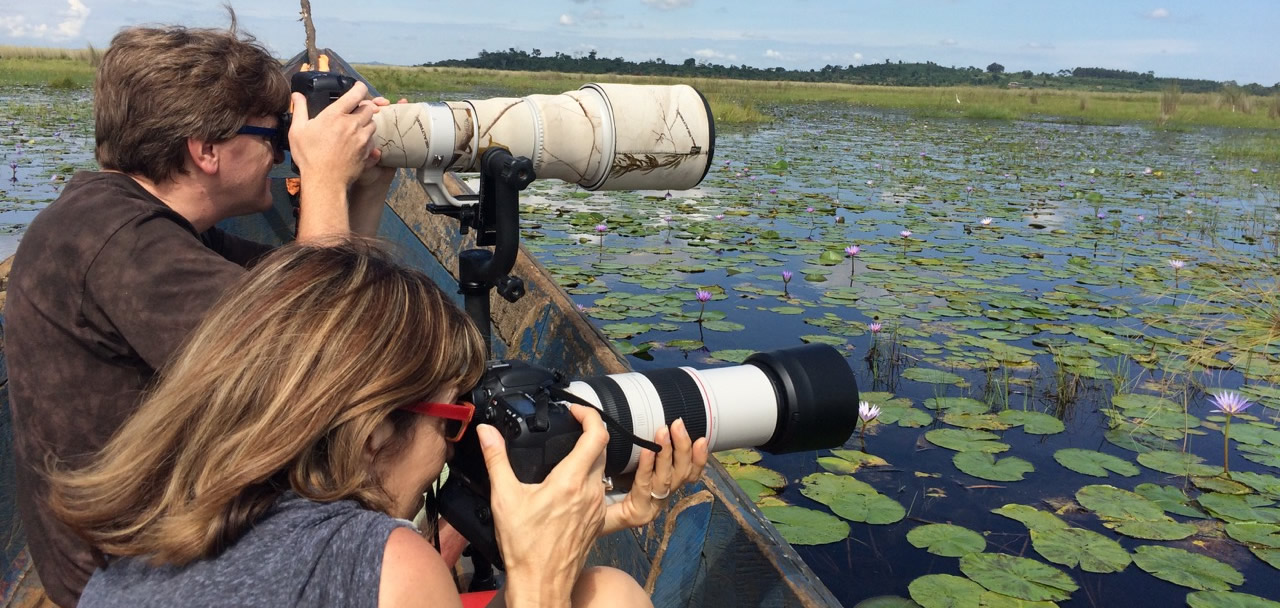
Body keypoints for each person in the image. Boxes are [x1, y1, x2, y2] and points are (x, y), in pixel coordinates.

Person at [46, 240, 709, 608]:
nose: (452, 448)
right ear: (372, 435)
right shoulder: (383, 565)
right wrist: (536, 583)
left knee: (602, 592)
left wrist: (598, 519)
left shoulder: (134, 556)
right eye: (452, 420)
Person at [4, 17, 395, 606]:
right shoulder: (117, 242)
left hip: (164, 535)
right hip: (132, 578)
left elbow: (323, 298)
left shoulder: (151, 226)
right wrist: (321, 177)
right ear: (206, 150)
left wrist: (359, 191)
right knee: (392, 539)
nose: (280, 151)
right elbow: (312, 365)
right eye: (271, 134)